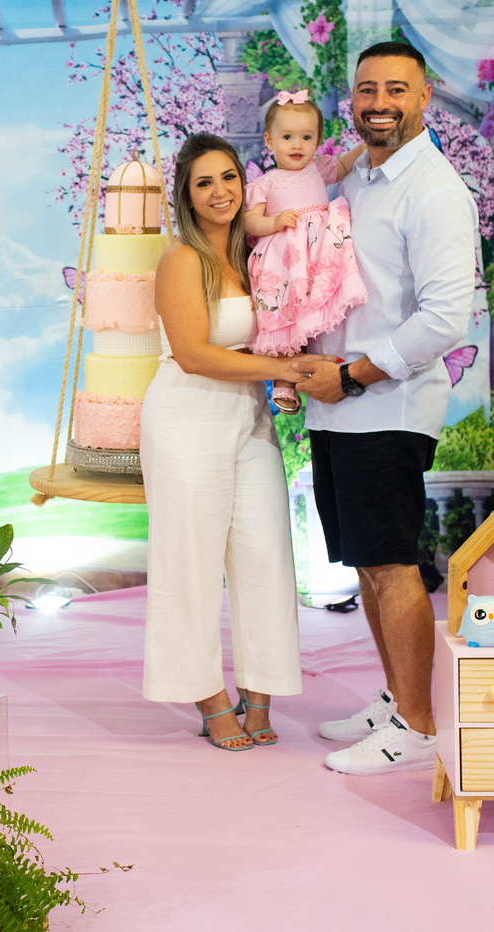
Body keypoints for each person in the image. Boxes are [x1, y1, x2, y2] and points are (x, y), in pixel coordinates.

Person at [291, 42, 479, 775]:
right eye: (367, 89)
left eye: (396, 89)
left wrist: (353, 375)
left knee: (394, 564)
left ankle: (419, 727)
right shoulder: (360, 178)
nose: (378, 103)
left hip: (384, 405)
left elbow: (444, 319)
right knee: (368, 565)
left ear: (425, 97)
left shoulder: (434, 190)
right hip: (338, 405)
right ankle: (398, 698)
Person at [141, 133, 325, 751]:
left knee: (266, 553)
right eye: (204, 182)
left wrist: (296, 365)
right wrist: (284, 370)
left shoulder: (257, 254)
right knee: (191, 561)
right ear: (186, 196)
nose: (220, 191)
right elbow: (194, 354)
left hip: (249, 417)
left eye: (228, 178)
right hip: (186, 417)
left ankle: (261, 691)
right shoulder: (180, 260)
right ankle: (209, 698)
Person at [243, 89, 368, 414]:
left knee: (314, 314)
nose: (297, 145)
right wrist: (273, 223)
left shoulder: (318, 169)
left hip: (318, 254)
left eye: (306, 137)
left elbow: (343, 166)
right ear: (269, 141)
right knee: (288, 319)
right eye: (287, 137)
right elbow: (250, 221)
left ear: (317, 141)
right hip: (287, 261)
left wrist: (366, 145)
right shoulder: (266, 183)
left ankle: (322, 367)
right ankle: (284, 381)